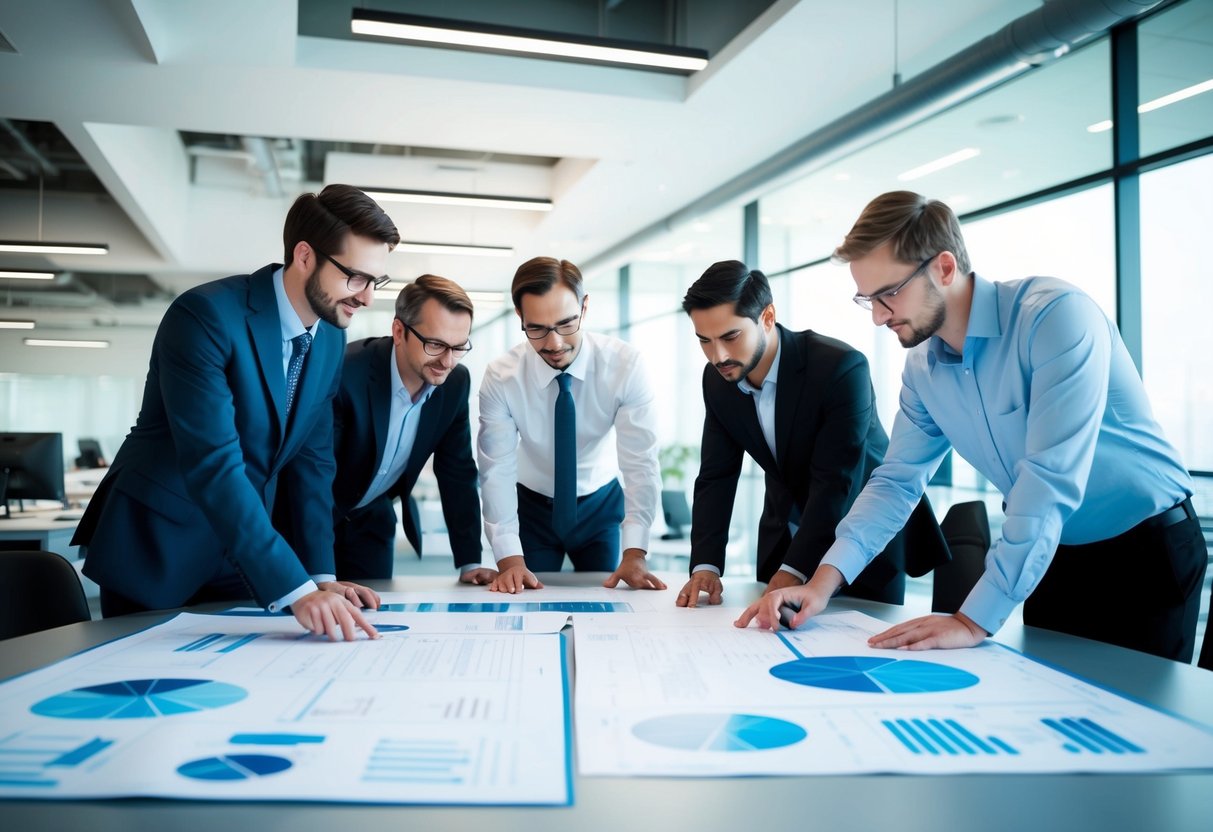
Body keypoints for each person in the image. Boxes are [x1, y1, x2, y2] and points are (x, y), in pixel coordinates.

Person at [738, 191, 1206, 662]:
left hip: (1147, 549)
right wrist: (821, 584)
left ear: (944, 267)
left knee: (1139, 724)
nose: (879, 316)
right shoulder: (923, 368)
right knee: (1058, 718)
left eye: (888, 294)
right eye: (868, 300)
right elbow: (897, 482)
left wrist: (970, 620)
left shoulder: (1055, 317)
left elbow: (1047, 480)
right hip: (1051, 552)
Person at [74, 184, 399, 641]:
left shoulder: (328, 337)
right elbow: (214, 463)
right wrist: (294, 586)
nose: (367, 298)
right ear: (305, 256)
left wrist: (319, 575)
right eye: (356, 277)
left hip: (242, 555)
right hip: (160, 545)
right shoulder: (205, 316)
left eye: (376, 281)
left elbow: (312, 462)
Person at [677, 260, 947, 609]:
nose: (719, 355)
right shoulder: (717, 380)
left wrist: (797, 569)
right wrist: (706, 565)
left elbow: (835, 481)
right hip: (783, 536)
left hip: (860, 539)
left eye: (731, 336)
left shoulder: (839, 368)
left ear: (767, 317)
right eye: (705, 341)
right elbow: (716, 475)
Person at [477, 256, 665, 594]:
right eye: (536, 328)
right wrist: (508, 558)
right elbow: (496, 470)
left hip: (600, 505)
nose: (554, 343)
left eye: (567, 323)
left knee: (609, 610)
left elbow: (641, 464)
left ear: (585, 307)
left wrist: (636, 550)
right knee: (525, 606)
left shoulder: (624, 366)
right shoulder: (502, 377)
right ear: (519, 316)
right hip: (531, 508)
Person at [331, 274, 494, 584]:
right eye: (435, 344)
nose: (447, 361)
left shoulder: (455, 383)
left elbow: (457, 472)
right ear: (398, 331)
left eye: (459, 347)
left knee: (372, 621)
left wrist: (470, 561)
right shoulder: (345, 372)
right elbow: (313, 472)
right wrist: (320, 576)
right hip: (309, 519)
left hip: (371, 522)